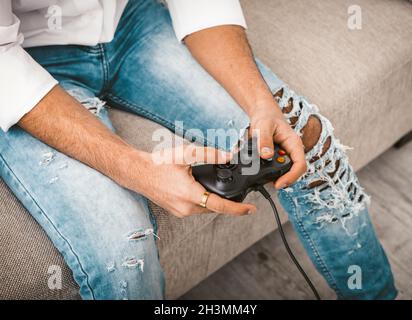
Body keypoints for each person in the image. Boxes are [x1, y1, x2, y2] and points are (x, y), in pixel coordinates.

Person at [0, 0, 396, 299]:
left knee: (305, 141)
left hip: (132, 21)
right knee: (123, 247)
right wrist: (137, 169)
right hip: (20, 60)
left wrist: (260, 103)